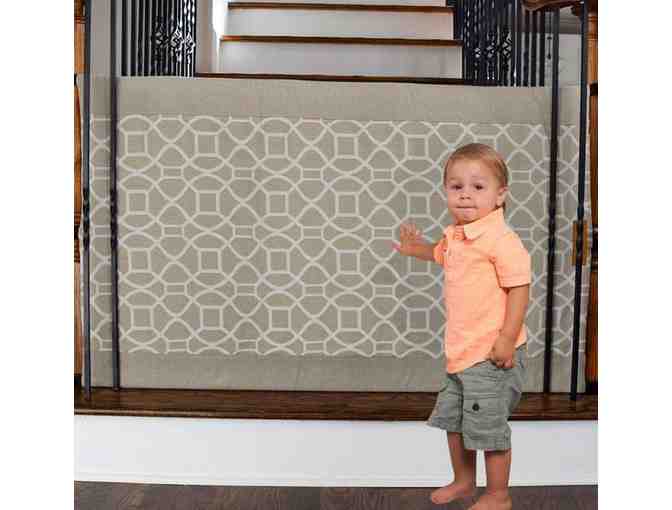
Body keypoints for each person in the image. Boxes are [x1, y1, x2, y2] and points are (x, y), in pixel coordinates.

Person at [391, 143, 531, 510]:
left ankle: (498, 495)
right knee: (454, 421)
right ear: (446, 192)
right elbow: (439, 253)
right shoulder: (456, 235)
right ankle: (465, 480)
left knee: (489, 428)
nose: (465, 194)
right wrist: (414, 248)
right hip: (461, 354)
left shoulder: (502, 240)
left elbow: (519, 288)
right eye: (456, 187)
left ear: (500, 195)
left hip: (491, 355)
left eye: (478, 187)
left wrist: (507, 338)